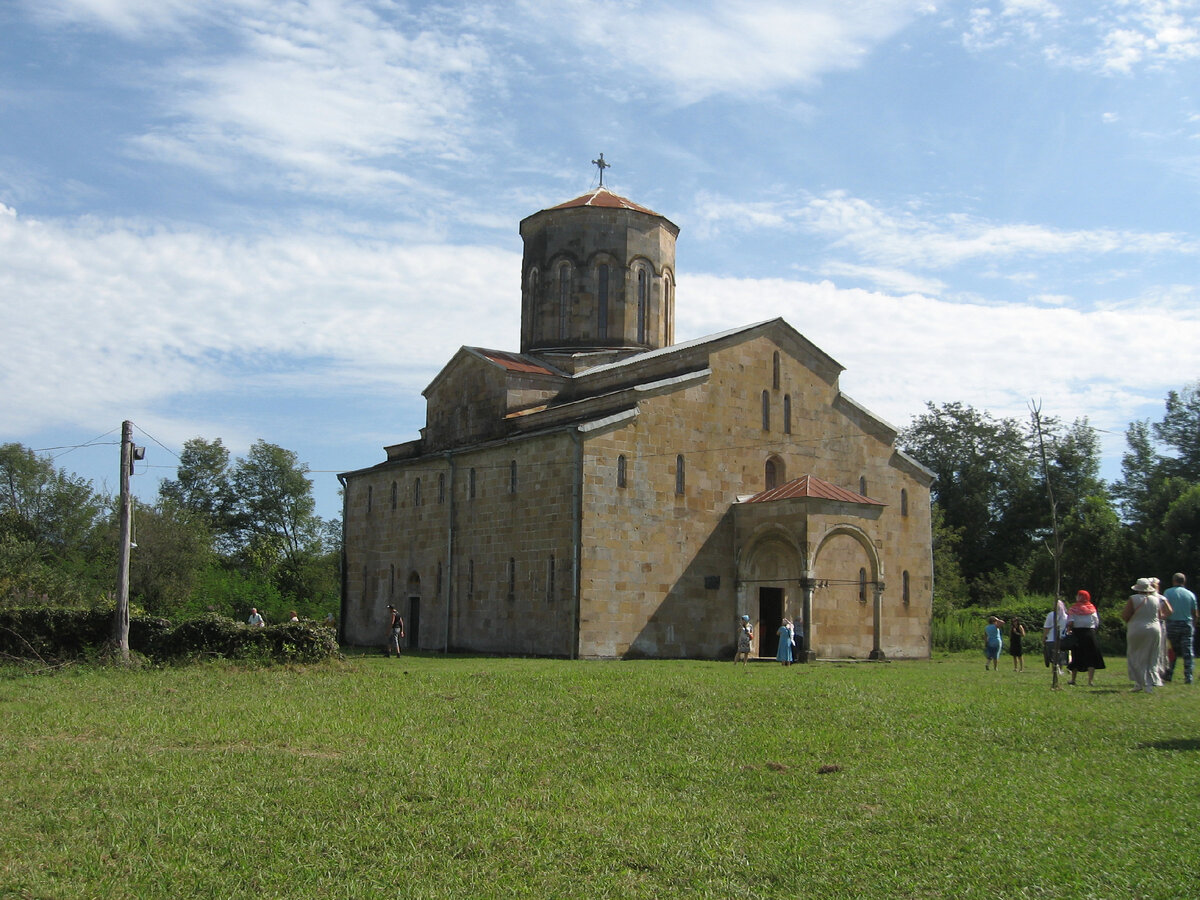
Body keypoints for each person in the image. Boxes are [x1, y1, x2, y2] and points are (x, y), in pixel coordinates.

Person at [1123, 578, 1172, 693]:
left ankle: (1139, 682)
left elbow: (1125, 615)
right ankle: (1150, 683)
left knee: (1135, 655)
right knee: (1152, 657)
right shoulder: (1156, 599)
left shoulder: (1133, 599)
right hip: (1155, 629)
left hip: (1137, 628)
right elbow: (1160, 615)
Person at [1163, 573, 1197, 684]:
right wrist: (1194, 624)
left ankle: (1168, 674)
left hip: (1171, 624)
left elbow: (1164, 608)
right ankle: (1188, 676)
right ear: (1184, 581)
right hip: (1186, 623)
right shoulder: (1190, 594)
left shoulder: (1168, 592)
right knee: (1187, 651)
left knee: (1171, 651)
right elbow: (1194, 613)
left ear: (1173, 581)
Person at [1065, 590, 1105, 686]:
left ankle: (1073, 680)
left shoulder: (1073, 609)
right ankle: (1090, 681)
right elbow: (1096, 622)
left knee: (1076, 656)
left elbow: (1070, 622)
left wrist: (1069, 628)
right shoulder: (1092, 608)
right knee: (1091, 656)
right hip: (1090, 634)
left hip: (1077, 633)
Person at [1042, 599, 1068, 675]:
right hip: (1062, 638)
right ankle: (1060, 669)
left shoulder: (1051, 615)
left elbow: (1047, 628)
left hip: (1051, 639)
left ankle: (1054, 670)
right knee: (1060, 655)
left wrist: (1044, 637)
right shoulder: (1066, 616)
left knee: (1052, 656)